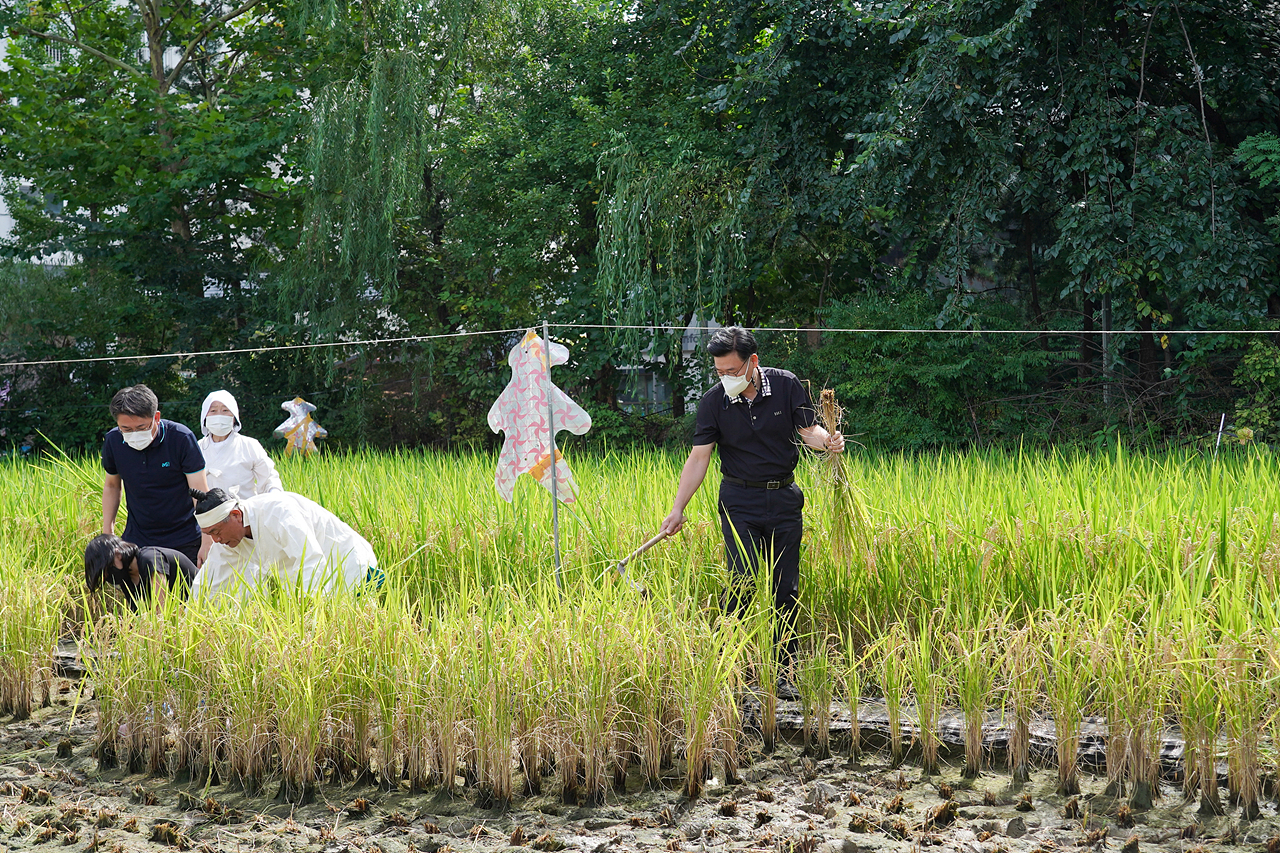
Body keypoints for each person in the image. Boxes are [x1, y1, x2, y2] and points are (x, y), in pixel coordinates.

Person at [657, 326, 844, 697]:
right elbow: (699, 458)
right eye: (719, 372)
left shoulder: (788, 385)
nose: (724, 378)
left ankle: (783, 674)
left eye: (730, 371)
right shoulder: (714, 402)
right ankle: (728, 669)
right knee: (742, 583)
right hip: (738, 501)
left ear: (752, 362)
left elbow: (808, 430)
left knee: (784, 588)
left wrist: (828, 441)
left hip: (784, 497)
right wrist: (678, 509)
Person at [189, 487, 382, 598]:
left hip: (351, 568)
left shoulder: (278, 512)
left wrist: (309, 610)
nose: (216, 540)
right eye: (208, 534)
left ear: (236, 515)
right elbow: (209, 580)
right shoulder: (228, 540)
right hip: (317, 583)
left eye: (216, 532)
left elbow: (310, 560)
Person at [102, 384, 209, 566]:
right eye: (126, 429)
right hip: (138, 539)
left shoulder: (180, 438)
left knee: (186, 592)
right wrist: (108, 533)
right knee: (141, 593)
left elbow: (200, 492)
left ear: (156, 417)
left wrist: (207, 540)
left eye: (141, 427)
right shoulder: (114, 441)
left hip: (184, 538)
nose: (134, 434)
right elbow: (112, 485)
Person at [197, 390, 283, 499]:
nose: (219, 415)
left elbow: (269, 479)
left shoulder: (249, 445)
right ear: (204, 416)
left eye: (225, 410)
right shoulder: (197, 448)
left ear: (234, 417)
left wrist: (274, 495)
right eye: (213, 410)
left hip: (244, 512)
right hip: (208, 513)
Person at [83, 533, 197, 610]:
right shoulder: (126, 580)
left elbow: (162, 611)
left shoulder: (150, 559)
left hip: (204, 606)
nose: (107, 576)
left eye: (106, 570)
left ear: (117, 555)